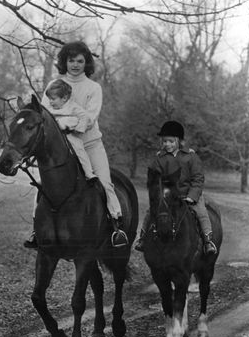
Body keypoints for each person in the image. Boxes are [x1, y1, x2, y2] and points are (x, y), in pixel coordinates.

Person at [24, 41, 128, 249]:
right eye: (71, 60)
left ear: (86, 63)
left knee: (105, 183)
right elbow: (43, 115)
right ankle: (37, 229)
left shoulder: (93, 88)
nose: (75, 65)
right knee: (42, 187)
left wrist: (65, 124)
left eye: (80, 61)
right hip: (61, 148)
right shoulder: (54, 85)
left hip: (90, 144)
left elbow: (89, 118)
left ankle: (116, 227)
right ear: (65, 61)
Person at [134, 120, 217, 255]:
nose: (167, 144)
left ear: (178, 140)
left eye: (171, 141)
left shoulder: (191, 157)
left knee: (201, 212)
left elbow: (198, 178)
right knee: (150, 212)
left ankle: (208, 242)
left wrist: (192, 196)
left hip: (188, 195)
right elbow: (157, 180)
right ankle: (142, 239)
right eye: (165, 141)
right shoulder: (159, 159)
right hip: (168, 196)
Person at [43, 79, 97, 181]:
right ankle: (45, 177)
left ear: (64, 98)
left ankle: (89, 173)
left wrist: (79, 129)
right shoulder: (49, 108)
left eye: (53, 99)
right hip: (54, 137)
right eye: (49, 99)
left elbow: (85, 117)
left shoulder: (73, 107)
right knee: (46, 154)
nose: (50, 102)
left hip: (68, 135)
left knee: (79, 150)